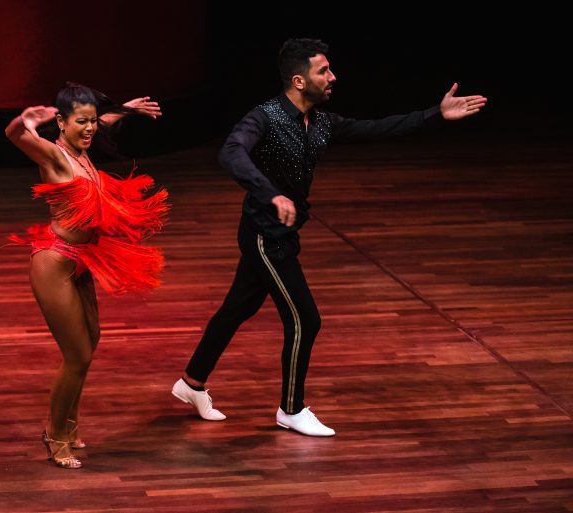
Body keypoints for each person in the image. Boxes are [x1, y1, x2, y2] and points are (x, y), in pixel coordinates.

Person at [172, 38, 487, 436]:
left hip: (284, 233)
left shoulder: (321, 122)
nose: (333, 76)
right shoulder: (265, 117)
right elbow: (231, 152)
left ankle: (191, 383)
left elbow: (377, 128)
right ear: (299, 80)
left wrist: (434, 115)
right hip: (264, 236)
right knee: (306, 318)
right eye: (324, 71)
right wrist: (270, 193)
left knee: (237, 309)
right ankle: (291, 408)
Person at [5, 82, 168, 468]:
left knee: (90, 344)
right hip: (55, 263)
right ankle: (54, 435)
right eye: (82, 122)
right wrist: (24, 121)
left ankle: (69, 425)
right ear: (60, 122)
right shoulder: (55, 156)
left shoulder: (82, 147)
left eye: (93, 121)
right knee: (76, 355)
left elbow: (103, 121)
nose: (91, 128)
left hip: (82, 260)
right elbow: (14, 136)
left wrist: (124, 110)